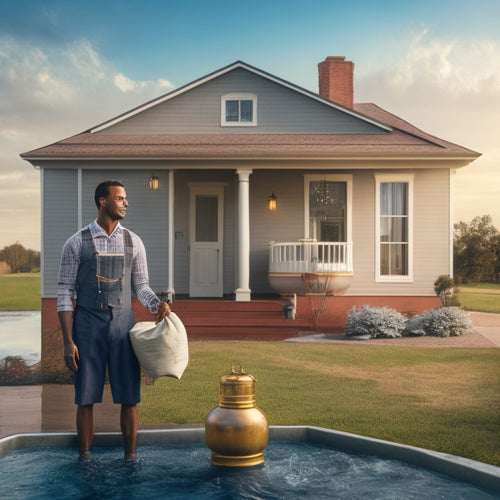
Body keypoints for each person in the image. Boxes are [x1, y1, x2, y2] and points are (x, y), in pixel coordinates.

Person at [57, 179, 171, 460]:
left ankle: (130, 460)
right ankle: (84, 460)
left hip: (123, 327)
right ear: (102, 201)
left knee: (130, 398)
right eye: (120, 198)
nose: (126, 203)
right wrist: (67, 341)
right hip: (86, 327)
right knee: (85, 398)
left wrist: (157, 305)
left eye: (125, 198)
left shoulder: (134, 241)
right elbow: (63, 293)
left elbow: (141, 286)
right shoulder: (75, 243)